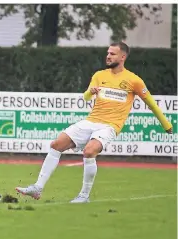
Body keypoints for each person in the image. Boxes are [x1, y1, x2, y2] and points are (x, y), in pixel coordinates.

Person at [16, 42, 173, 203]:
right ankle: (38, 188)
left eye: (112, 53)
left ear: (123, 57)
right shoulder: (99, 75)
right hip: (91, 120)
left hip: (110, 126)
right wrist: (89, 92)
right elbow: (86, 97)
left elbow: (152, 104)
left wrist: (166, 125)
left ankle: (84, 196)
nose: (108, 56)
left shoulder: (134, 80)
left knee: (89, 152)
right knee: (56, 144)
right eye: (108, 53)